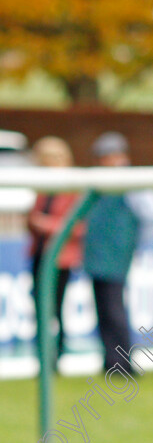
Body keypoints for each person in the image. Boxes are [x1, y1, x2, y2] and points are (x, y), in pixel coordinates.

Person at [83, 132, 153, 372]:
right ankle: (111, 361)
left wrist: (136, 240)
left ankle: (121, 364)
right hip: (98, 256)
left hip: (114, 255)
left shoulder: (130, 181)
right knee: (105, 311)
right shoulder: (102, 179)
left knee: (113, 311)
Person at [27, 136, 83, 366]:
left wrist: (46, 224)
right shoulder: (44, 188)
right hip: (39, 254)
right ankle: (42, 354)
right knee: (39, 306)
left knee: (56, 308)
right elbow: (32, 218)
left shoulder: (71, 188)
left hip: (61, 259)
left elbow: (78, 226)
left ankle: (56, 355)